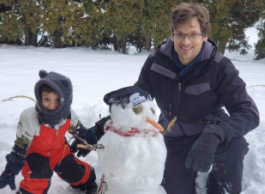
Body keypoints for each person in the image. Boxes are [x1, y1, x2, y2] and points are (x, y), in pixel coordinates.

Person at [134, 2, 259, 194]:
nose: (186, 42)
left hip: (210, 134)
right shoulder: (156, 62)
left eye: (193, 34)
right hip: (173, 137)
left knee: (234, 147)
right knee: (176, 190)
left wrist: (216, 134)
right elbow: (139, 98)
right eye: (180, 34)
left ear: (205, 35)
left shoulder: (219, 66)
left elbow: (248, 112)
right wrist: (113, 118)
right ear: (172, 34)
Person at [0, 70, 98, 194]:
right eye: (47, 99)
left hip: (59, 152)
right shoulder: (30, 117)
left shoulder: (68, 114)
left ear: (65, 100)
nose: (52, 105)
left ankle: (88, 181)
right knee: (36, 181)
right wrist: (11, 170)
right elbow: (20, 147)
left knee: (76, 173)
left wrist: (87, 138)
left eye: (57, 100)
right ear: (40, 97)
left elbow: (78, 129)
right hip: (35, 155)